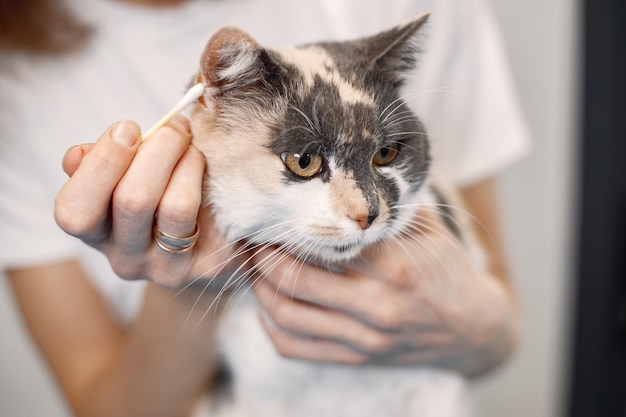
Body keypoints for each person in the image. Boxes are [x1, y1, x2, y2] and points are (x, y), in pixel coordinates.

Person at [0, 0, 530, 416]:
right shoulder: (17, 87)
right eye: (304, 161)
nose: (363, 212)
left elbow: (502, 316)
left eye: (385, 154)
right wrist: (192, 281)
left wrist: (482, 328)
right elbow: (103, 405)